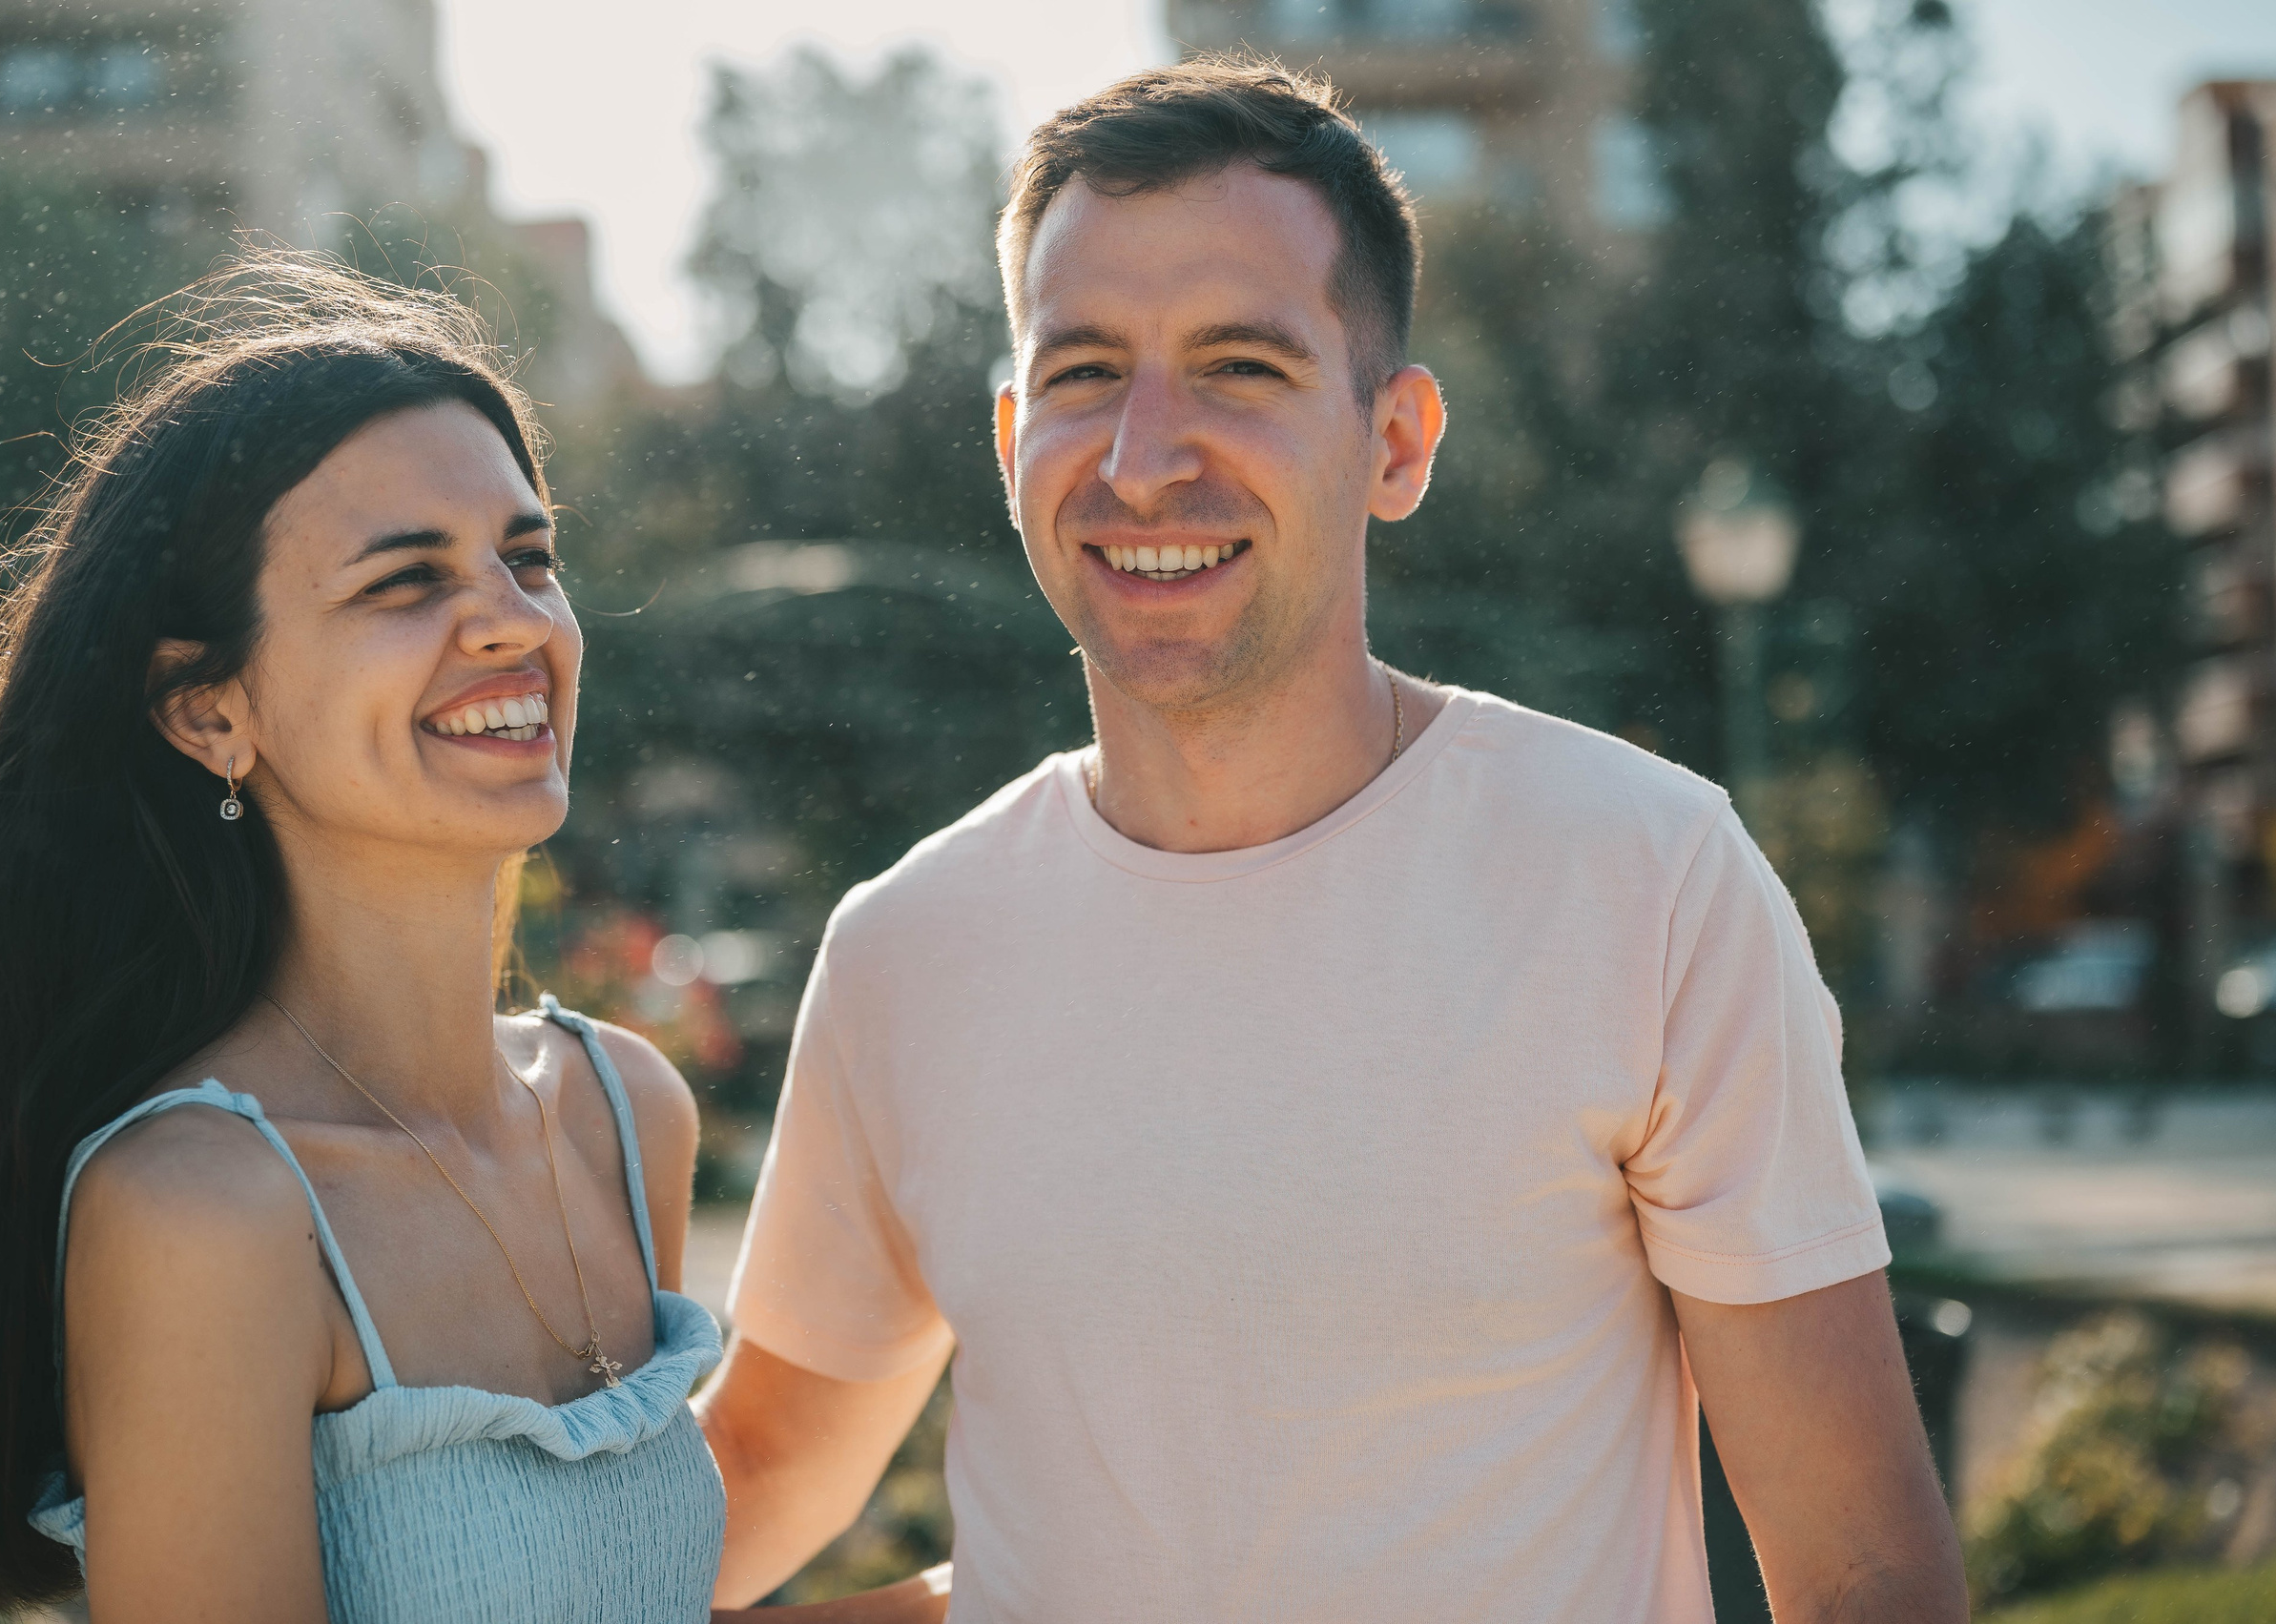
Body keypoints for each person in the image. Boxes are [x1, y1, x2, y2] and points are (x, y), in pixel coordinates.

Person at [693, 57, 1970, 1623]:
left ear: (1396, 440)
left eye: (1240, 366)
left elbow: (1862, 1571)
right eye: (1087, 372)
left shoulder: (1642, 879)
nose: (1144, 454)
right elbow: (766, 1468)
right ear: (1012, 433)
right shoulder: (906, 950)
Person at [0, 255, 944, 1624]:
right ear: (209, 715)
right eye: (403, 581)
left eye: (527, 557)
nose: (510, 617)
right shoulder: (204, 1211)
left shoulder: (623, 1115)